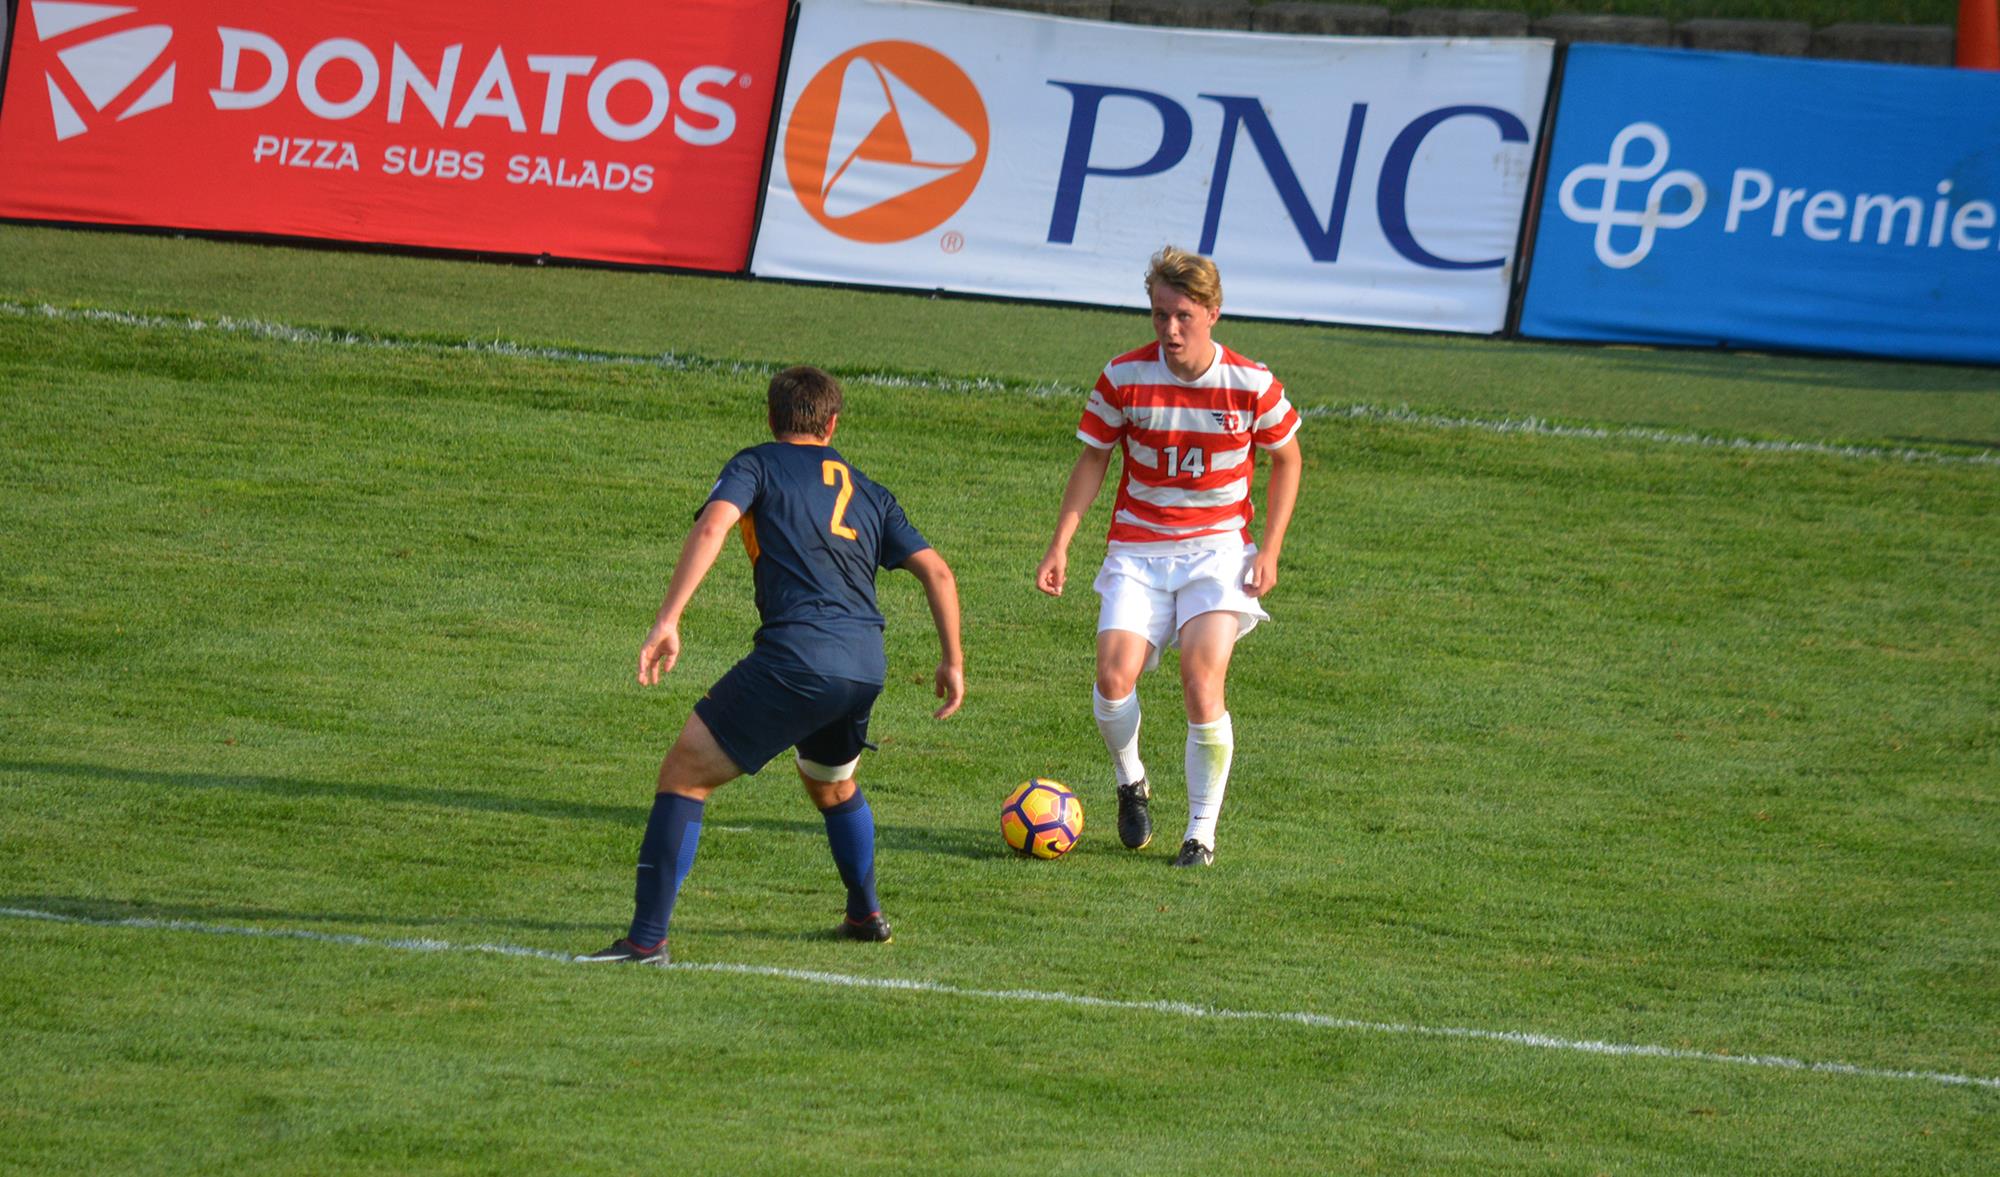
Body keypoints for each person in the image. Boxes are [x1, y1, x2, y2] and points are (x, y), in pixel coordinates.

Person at [582, 366, 964, 964]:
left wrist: (668, 618)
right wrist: (952, 660)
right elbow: (938, 572)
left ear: (770, 418)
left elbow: (713, 524)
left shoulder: (756, 464)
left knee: (684, 773)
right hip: (865, 663)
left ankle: (646, 941)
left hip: (798, 657)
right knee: (830, 784)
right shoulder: (869, 490)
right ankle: (865, 915)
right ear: (832, 425)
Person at [1034, 245, 1301, 868]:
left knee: (1201, 681)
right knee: (1112, 678)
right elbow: (1094, 458)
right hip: (1138, 550)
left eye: (1183, 315)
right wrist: (1060, 543)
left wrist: (1271, 549)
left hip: (1218, 554)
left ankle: (1200, 834)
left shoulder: (1250, 383)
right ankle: (1131, 780)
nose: (1170, 329)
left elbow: (1288, 459)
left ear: (1212, 313)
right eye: (1160, 314)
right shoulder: (1123, 377)